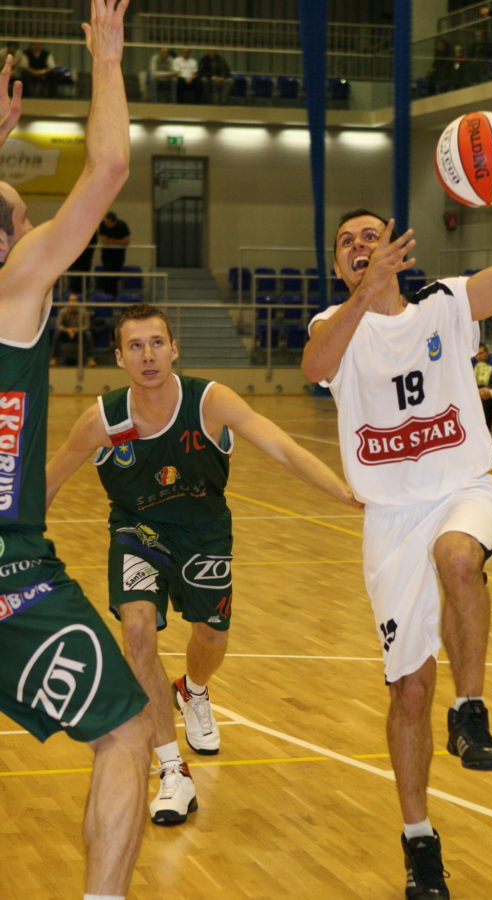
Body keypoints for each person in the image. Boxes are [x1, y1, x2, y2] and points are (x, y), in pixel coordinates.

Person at [301, 116, 492, 899]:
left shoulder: (445, 303)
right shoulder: (331, 327)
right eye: (347, 243)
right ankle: (419, 842)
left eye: (370, 235)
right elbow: (313, 366)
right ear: (339, 265)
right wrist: (363, 296)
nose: (359, 245)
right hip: (389, 521)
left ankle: (470, 710)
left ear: (397, 247)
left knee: (458, 557)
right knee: (408, 690)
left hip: (461, 489)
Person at [46, 302, 360, 827]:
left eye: (156, 343)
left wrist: (342, 491)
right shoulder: (103, 418)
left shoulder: (211, 401)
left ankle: (192, 689)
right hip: (137, 531)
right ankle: (172, 771)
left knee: (211, 638)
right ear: (119, 357)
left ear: (175, 348)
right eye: (135, 346)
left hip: (205, 533)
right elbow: (49, 481)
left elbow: (281, 448)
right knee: (137, 632)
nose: (148, 355)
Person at [0, 4, 153, 898]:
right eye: (23, 220)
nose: (34, 233)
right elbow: (109, 167)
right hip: (9, 570)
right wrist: (105, 61)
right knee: (126, 732)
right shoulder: (15, 287)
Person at [50, 292, 96, 367]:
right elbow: (58, 325)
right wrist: (67, 330)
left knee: (88, 334)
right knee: (57, 334)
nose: (72, 302)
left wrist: (76, 330)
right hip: (66, 333)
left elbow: (87, 326)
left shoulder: (84, 312)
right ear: (68, 302)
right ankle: (54, 358)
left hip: (79, 333)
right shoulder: (62, 311)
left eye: (74, 300)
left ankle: (90, 359)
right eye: (71, 300)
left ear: (77, 302)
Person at [99, 211, 130, 297]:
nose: (106, 224)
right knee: (108, 273)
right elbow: (105, 241)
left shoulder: (122, 225)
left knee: (116, 274)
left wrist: (112, 240)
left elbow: (126, 241)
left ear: (113, 222)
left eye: (108, 222)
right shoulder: (103, 225)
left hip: (119, 254)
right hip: (107, 254)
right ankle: (107, 294)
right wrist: (119, 241)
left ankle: (113, 295)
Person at [67, 229, 97, 294]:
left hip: (84, 260)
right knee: (74, 282)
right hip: (73, 261)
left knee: (83, 283)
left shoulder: (91, 229)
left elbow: (92, 242)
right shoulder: (71, 229)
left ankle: (82, 295)